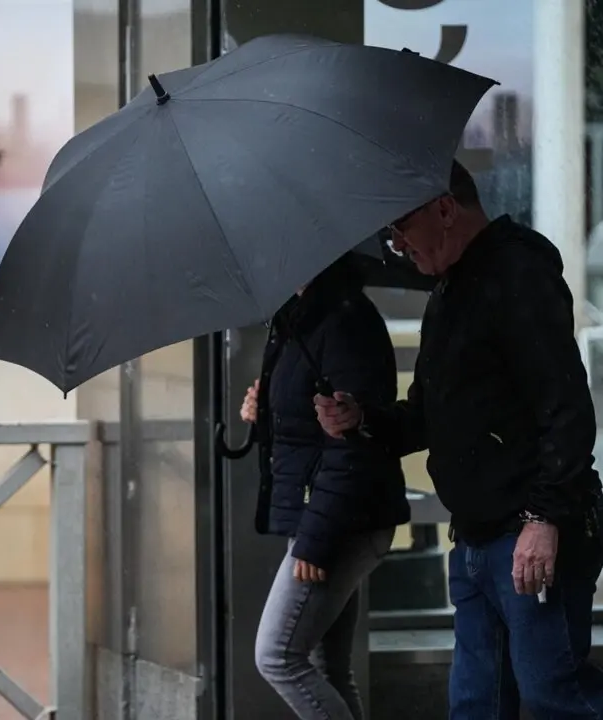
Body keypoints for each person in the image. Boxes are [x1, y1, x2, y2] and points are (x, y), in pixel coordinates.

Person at [315, 161, 603, 719]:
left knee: (556, 699)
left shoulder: (517, 272)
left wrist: (543, 518)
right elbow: (427, 416)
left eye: (400, 228)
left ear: (445, 209)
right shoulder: (448, 291)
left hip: (530, 532)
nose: (396, 246)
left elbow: (566, 408)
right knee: (475, 705)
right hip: (475, 538)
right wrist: (361, 420)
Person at [243, 254, 410, 720]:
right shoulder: (300, 317)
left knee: (278, 657)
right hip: (331, 512)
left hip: (340, 519)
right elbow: (308, 424)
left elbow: (351, 446)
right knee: (329, 667)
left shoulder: (343, 320)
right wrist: (263, 410)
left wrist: (316, 541)